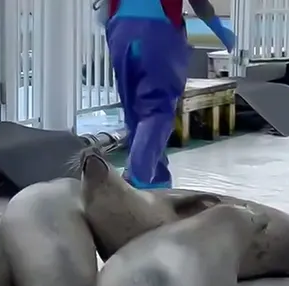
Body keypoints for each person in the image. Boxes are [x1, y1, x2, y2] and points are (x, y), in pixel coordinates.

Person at [97, 0, 236, 189]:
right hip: (157, 33)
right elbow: (199, 3)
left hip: (120, 31)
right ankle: (136, 180)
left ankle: (158, 179)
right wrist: (219, 29)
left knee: (135, 114)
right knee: (157, 112)